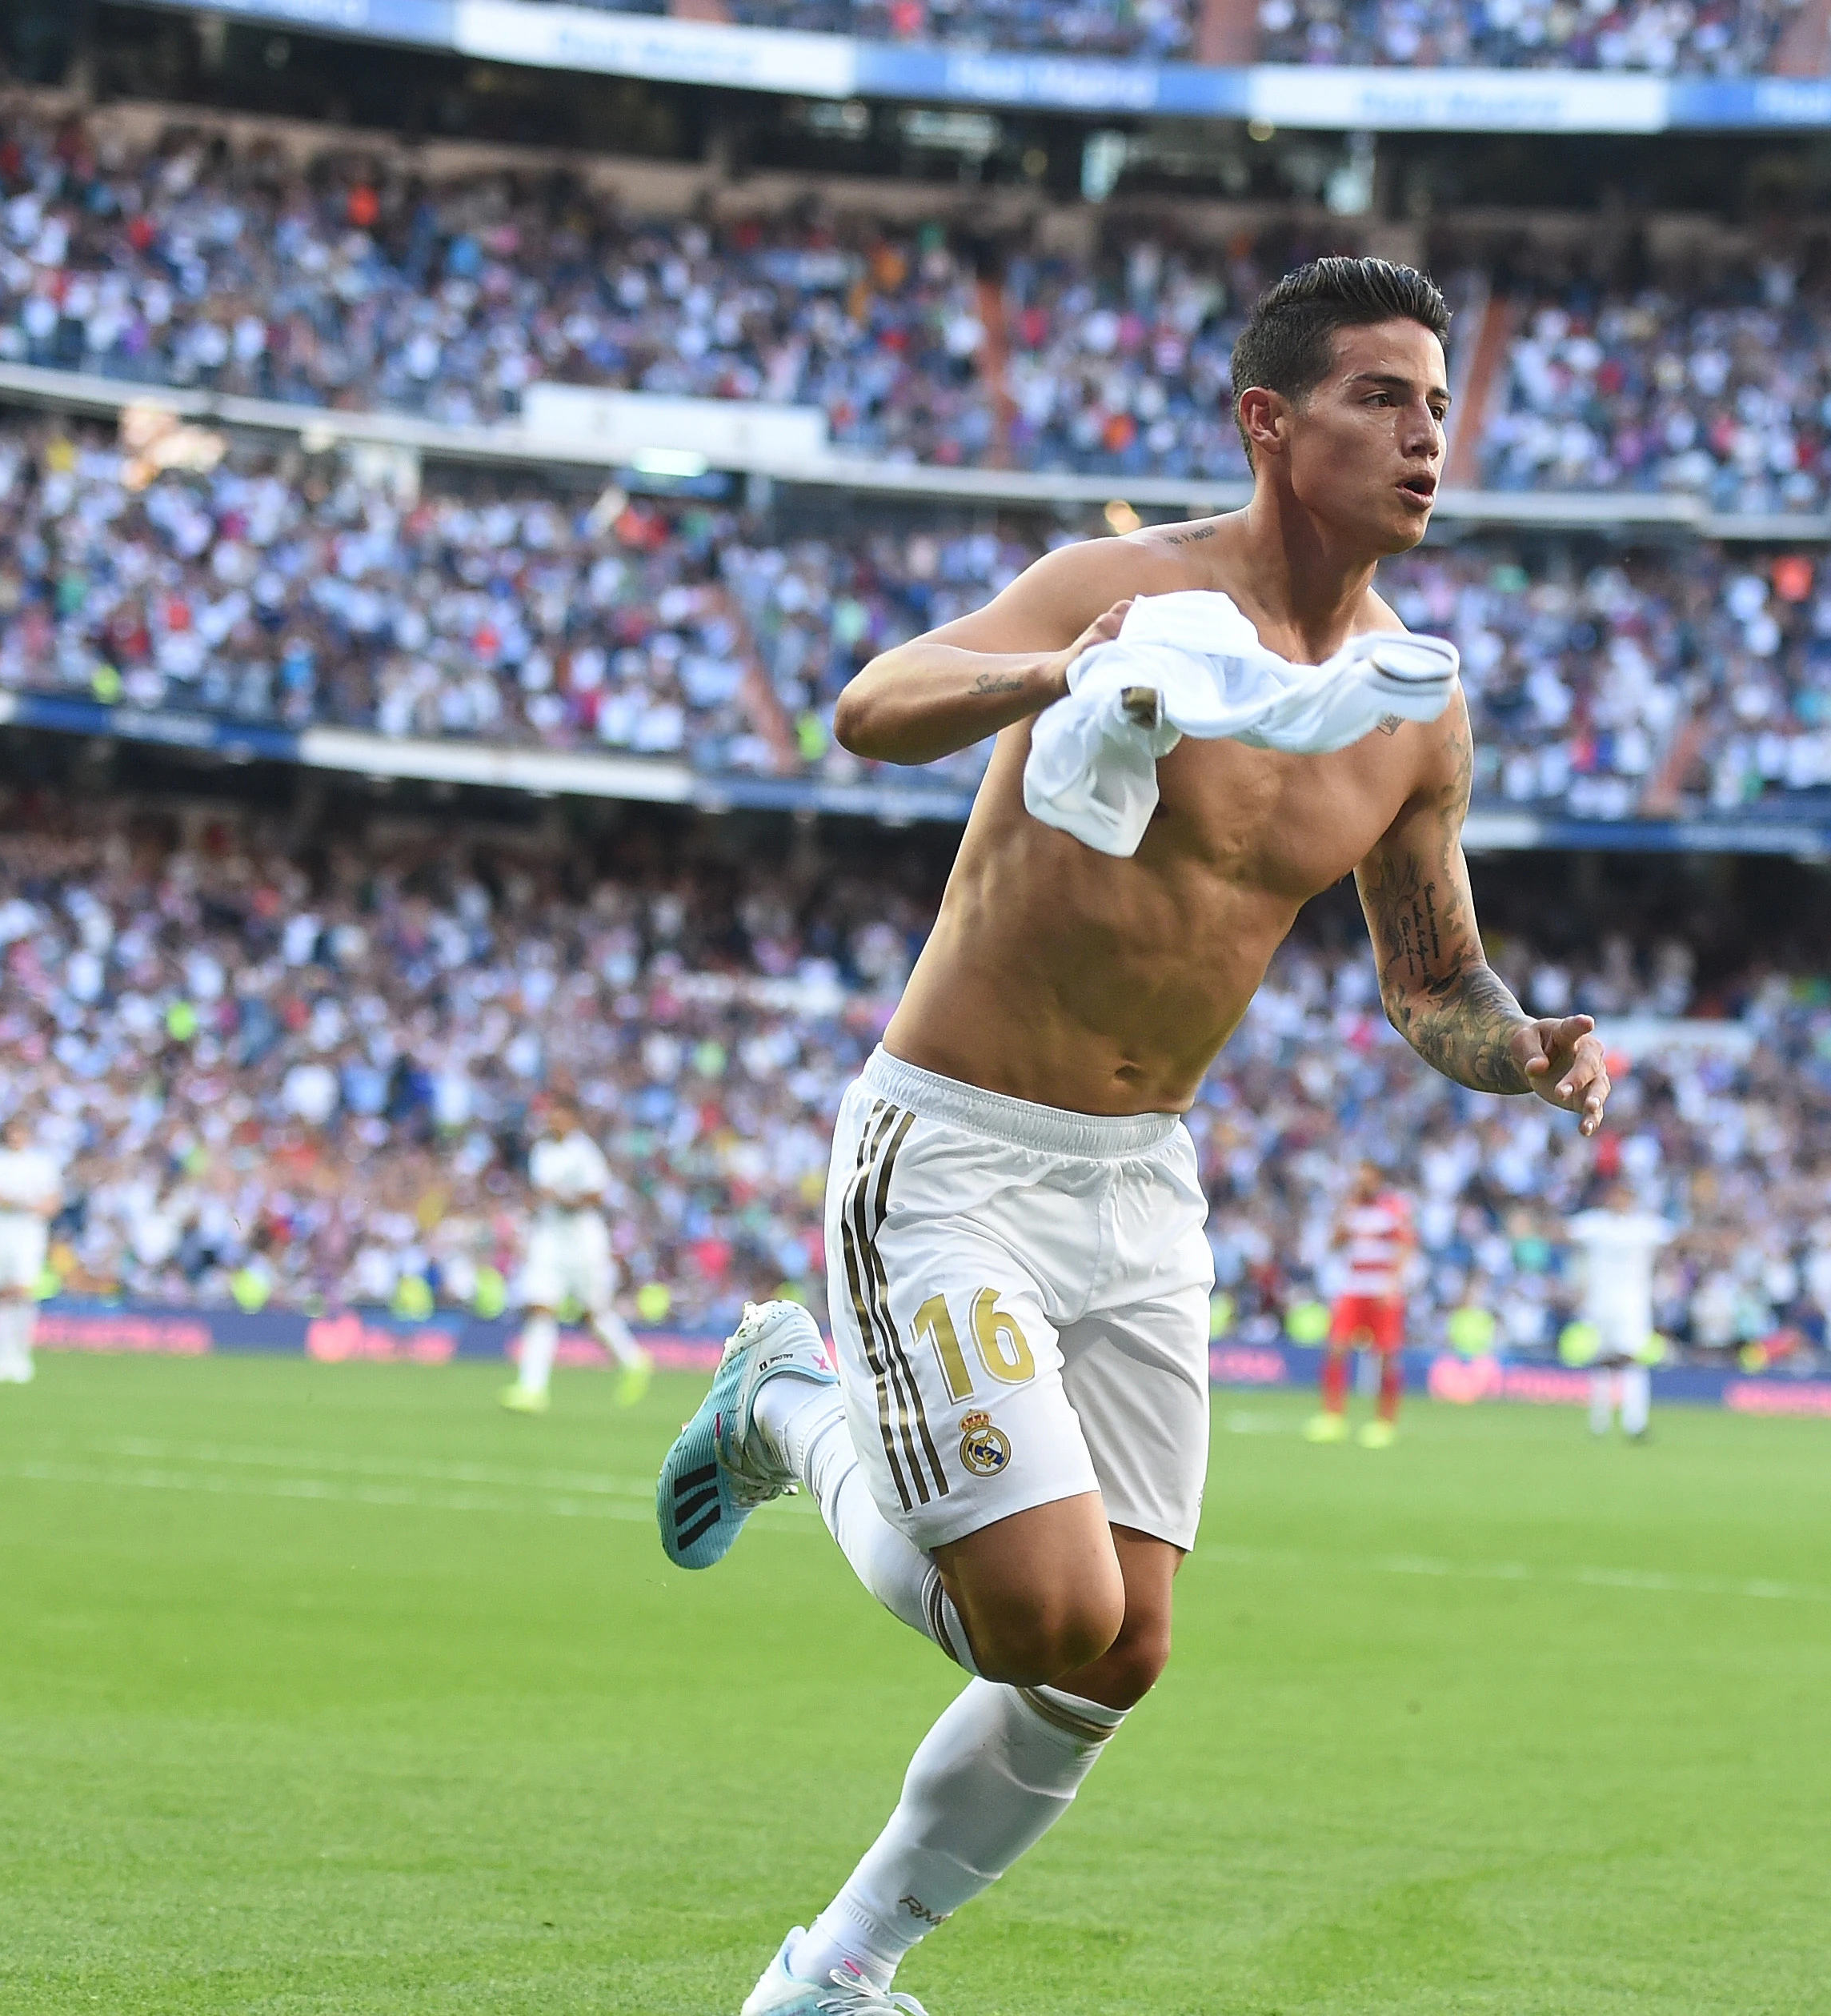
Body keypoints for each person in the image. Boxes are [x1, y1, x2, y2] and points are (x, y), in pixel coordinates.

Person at [643, 257, 1613, 2016]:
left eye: (1438, 403)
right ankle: (786, 1400)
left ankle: (833, 1971)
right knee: (1032, 1614)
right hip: (950, 1152)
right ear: (1269, 422)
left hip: (1139, 1180)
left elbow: (1430, 979)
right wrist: (1051, 671)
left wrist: (1526, 1050)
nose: (1425, 437)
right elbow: (867, 709)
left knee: (1120, 1651)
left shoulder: (1410, 700)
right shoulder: (1120, 589)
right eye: (1380, 398)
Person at [503, 1098, 653, 1413]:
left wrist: (561, 1196)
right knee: (540, 1308)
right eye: (550, 1117)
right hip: (549, 1239)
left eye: (559, 1116)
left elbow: (597, 1195)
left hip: (583, 1241)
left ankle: (633, 1359)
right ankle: (532, 1389)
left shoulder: (585, 1152)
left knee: (593, 1314)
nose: (553, 1122)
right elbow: (540, 1192)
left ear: (573, 1120)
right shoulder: (542, 1151)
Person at [1307, 1163, 1416, 1447]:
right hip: (1354, 1288)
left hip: (1381, 1290)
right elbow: (1335, 1244)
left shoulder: (1392, 1207)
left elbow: (1406, 1245)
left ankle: (1385, 1422)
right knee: (1336, 1347)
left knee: (1387, 1355)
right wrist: (1342, 1220)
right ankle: (1333, 1417)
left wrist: (1394, 1282)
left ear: (1377, 1178)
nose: (1360, 1180)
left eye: (1365, 1176)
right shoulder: (1352, 1208)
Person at [1568, 1179, 1675, 1442]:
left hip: (1632, 1306)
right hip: (1600, 1304)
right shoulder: (1595, 1224)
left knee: (1634, 1360)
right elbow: (1563, 1231)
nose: (1620, 1201)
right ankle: (1599, 1422)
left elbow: (1679, 1237)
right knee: (1602, 1361)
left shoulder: (1643, 1226)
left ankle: (1635, 1423)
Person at [0, 1117, 63, 1385]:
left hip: (29, 1233)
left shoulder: (42, 1164)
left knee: (24, 1290)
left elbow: (52, 1202)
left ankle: (22, 1356)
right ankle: (1, 1356)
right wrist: (26, 1204)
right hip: (1, 1231)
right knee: (2, 1293)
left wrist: (25, 1206)